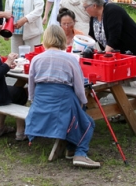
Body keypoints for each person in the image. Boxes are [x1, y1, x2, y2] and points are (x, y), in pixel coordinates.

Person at [25, 25, 101, 168]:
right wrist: (83, 102)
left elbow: (31, 85)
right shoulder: (70, 59)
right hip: (63, 100)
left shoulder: (36, 59)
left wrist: (34, 102)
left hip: (41, 102)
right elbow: (79, 87)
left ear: (45, 39)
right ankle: (80, 153)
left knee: (77, 115)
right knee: (88, 122)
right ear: (62, 39)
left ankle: (71, 148)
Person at [82, 0, 136, 128]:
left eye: (86, 7)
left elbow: (114, 37)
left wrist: (104, 55)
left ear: (95, 5)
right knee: (121, 83)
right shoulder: (94, 17)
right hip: (118, 54)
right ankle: (124, 111)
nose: (85, 10)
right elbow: (92, 36)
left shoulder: (112, 11)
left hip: (135, 49)